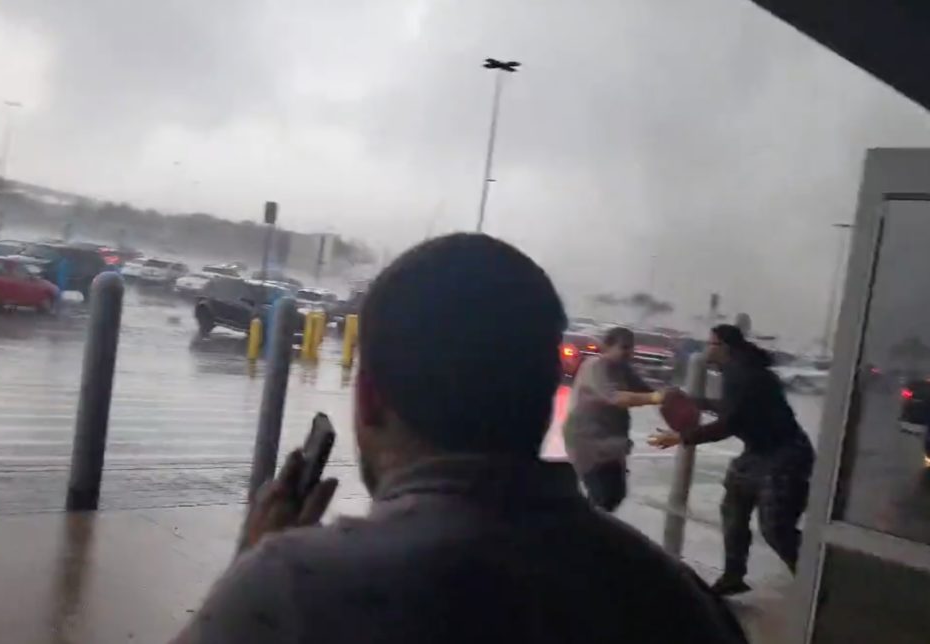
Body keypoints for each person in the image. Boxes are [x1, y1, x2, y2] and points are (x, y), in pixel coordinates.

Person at [173, 234, 746, 643]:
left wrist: (247, 565)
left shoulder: (292, 590)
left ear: (370, 397)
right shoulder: (684, 602)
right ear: (545, 394)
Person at [649, 324, 814, 596]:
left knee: (775, 528)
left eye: (710, 344)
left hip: (786, 453)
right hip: (760, 451)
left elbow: (729, 424)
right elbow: (734, 408)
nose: (706, 349)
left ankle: (814, 578)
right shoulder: (738, 371)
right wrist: (697, 402)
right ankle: (733, 575)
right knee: (734, 506)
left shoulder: (744, 375)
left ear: (725, 347)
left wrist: (681, 437)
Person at [563, 327, 665, 512]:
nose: (629, 353)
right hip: (587, 441)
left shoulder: (622, 369)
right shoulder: (596, 366)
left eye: (631, 348)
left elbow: (644, 389)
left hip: (611, 443)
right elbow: (616, 397)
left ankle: (588, 526)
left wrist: (670, 397)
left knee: (615, 494)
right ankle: (585, 533)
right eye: (624, 347)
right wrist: (655, 398)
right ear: (607, 346)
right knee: (603, 495)